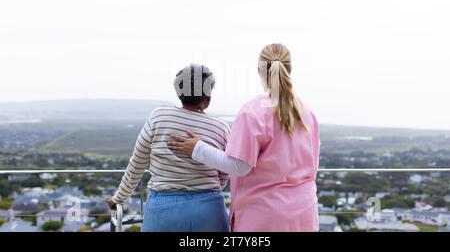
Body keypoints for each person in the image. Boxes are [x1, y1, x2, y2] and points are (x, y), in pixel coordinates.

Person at [168, 43, 321, 232]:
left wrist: (197, 148)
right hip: (304, 215)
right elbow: (312, 168)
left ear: (259, 71)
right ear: (290, 69)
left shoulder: (253, 112)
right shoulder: (307, 113)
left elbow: (240, 166)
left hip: (264, 218)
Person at [107, 64, 230, 232]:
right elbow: (224, 173)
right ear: (207, 99)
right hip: (209, 210)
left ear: (179, 93)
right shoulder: (221, 128)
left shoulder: (158, 117)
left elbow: (137, 164)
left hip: (163, 210)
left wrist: (118, 198)